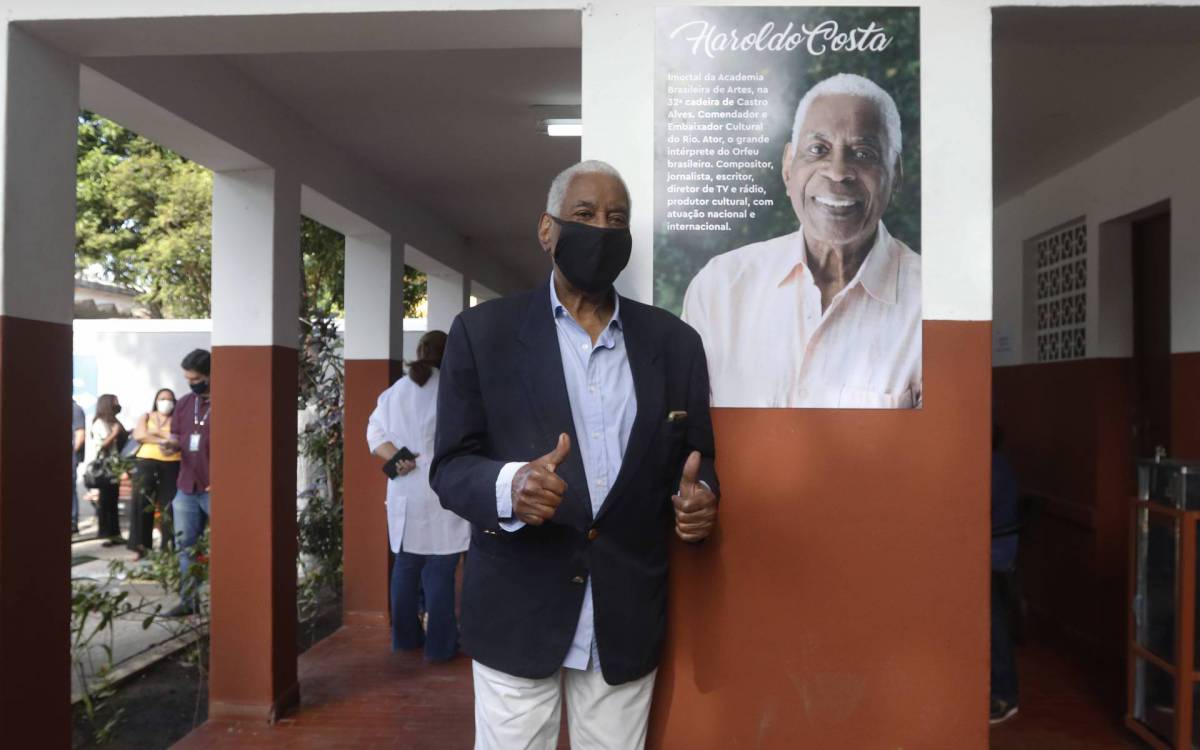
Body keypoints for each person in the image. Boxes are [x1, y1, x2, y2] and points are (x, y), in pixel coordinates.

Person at [431, 160, 720, 749]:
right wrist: (510, 486)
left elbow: (696, 456)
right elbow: (450, 466)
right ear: (547, 229)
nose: (601, 229)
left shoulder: (675, 344)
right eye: (585, 215)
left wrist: (701, 498)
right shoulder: (482, 334)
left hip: (624, 611)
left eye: (617, 219)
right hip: (516, 609)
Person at [682, 72, 921, 408]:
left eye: (864, 153)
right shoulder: (719, 287)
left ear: (895, 174)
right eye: (818, 149)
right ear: (787, 166)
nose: (838, 172)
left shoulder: (929, 301)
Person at [367, 330, 469, 662]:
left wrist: (398, 456)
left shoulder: (395, 392)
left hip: (404, 484)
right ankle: (440, 647)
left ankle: (405, 640)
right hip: (442, 484)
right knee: (440, 567)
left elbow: (374, 436)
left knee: (407, 565)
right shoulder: (453, 390)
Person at [163, 349, 212, 617]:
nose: (191, 383)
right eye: (187, 378)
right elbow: (176, 436)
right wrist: (170, 445)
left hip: (214, 487)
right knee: (186, 547)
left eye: (195, 378)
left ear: (209, 376)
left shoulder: (226, 402)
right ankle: (188, 600)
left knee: (225, 545)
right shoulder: (183, 403)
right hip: (186, 486)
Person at [128, 388, 181, 559]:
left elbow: (179, 439)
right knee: (141, 503)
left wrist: (154, 433)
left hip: (172, 463)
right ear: (156, 400)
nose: (165, 402)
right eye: (162, 398)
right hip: (146, 462)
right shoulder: (147, 416)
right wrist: (163, 438)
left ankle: (168, 548)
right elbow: (139, 435)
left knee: (169, 506)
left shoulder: (179, 418)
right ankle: (140, 547)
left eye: (169, 398)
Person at [991, 424, 1020, 725]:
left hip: (994, 558)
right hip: (999, 555)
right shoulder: (999, 465)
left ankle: (1004, 695)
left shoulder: (992, 469)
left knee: (994, 624)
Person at [90, 393, 127, 546]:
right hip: (106, 468)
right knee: (106, 501)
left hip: (115, 467)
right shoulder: (100, 423)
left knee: (112, 501)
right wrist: (114, 433)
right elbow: (101, 446)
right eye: (115, 402)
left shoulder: (113, 422)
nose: (117, 405)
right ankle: (106, 534)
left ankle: (115, 534)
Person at [72, 399, 87, 535]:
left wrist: (71, 453)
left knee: (70, 489)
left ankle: (72, 522)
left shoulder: (75, 409)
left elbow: (80, 434)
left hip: (70, 457)